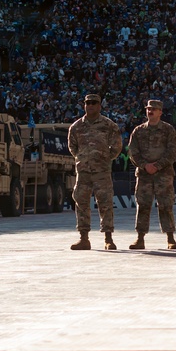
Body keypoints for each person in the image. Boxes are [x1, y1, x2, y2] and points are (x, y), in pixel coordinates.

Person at [67, 93, 123, 250]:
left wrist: (105, 159)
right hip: (83, 172)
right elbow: (73, 148)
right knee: (81, 203)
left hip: (101, 172)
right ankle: (83, 238)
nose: (90, 105)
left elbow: (117, 146)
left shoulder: (108, 125)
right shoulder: (76, 127)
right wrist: (83, 158)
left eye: (93, 102)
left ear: (99, 105)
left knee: (105, 203)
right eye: (87, 103)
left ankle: (108, 238)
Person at [127, 99, 176, 250]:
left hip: (163, 174)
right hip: (144, 175)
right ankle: (140, 238)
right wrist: (145, 165)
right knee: (143, 205)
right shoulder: (138, 131)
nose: (150, 111)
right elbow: (132, 151)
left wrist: (157, 166)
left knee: (166, 205)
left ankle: (170, 238)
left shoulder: (168, 130)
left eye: (154, 109)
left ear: (160, 112)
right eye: (148, 109)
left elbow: (173, 151)